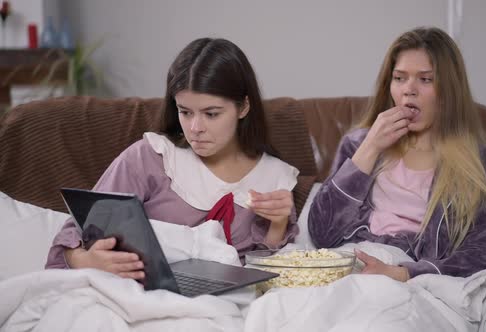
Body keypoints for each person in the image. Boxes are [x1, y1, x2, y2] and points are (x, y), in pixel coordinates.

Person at [45, 38, 299, 281]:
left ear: (243, 107)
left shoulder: (274, 178)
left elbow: (277, 276)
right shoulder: (151, 157)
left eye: (211, 114)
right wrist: (85, 261)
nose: (195, 127)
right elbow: (76, 231)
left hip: (225, 307)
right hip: (139, 294)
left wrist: (278, 225)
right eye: (185, 112)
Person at [308, 27, 486, 281]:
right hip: (347, 265)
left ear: (450, 90)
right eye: (399, 78)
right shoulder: (358, 145)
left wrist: (402, 273)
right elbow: (321, 233)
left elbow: (483, 253)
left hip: (412, 280)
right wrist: (371, 147)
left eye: (426, 79)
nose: (409, 89)